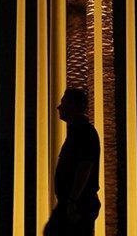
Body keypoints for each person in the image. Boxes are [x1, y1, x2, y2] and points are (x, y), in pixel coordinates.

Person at [45, 88, 101, 236]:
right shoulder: (78, 131)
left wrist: (73, 201)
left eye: (63, 102)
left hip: (78, 204)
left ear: (74, 105)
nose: (58, 107)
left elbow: (85, 166)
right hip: (72, 203)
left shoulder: (83, 131)